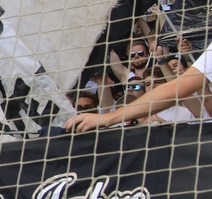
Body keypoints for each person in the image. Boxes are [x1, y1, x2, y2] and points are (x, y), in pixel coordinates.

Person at [66, 41, 212, 132]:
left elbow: (178, 90)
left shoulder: (185, 111)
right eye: (147, 83)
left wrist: (107, 118)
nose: (152, 86)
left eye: (157, 83)